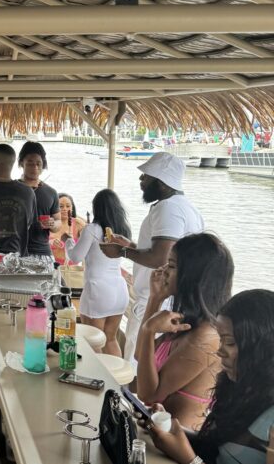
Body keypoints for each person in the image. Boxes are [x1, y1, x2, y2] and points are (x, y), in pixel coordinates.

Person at [144, 289, 274, 464]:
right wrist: (172, 431)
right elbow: (217, 448)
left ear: (262, 349)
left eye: (229, 342)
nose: (220, 351)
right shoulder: (241, 387)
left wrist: (189, 459)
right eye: (220, 340)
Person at [101, 151, 205, 362]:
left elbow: (161, 257)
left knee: (135, 364)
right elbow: (167, 251)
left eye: (146, 176)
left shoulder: (168, 208)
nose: (141, 179)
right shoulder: (187, 208)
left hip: (155, 302)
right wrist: (130, 245)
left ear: (163, 183)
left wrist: (121, 252)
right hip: (171, 301)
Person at [135, 233, 233, 430]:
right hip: (158, 430)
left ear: (192, 276)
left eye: (171, 265)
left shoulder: (206, 336)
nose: (163, 271)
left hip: (177, 444)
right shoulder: (187, 322)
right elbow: (140, 355)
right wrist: (155, 299)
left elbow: (148, 394)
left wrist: (148, 330)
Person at [63, 189, 130, 356]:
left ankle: (98, 379)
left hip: (98, 290)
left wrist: (68, 241)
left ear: (96, 209)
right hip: (119, 289)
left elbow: (76, 257)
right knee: (111, 339)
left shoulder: (93, 229)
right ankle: (116, 381)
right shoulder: (123, 229)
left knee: (93, 341)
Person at [17, 141, 60, 261]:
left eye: (38, 164)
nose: (35, 168)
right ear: (22, 163)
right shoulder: (13, 189)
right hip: (15, 252)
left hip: (43, 253)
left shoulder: (51, 192)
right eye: (30, 163)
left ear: (43, 165)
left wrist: (53, 224)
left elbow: (58, 221)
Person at [50, 193, 87, 264]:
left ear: (72, 207)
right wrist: (50, 242)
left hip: (72, 270)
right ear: (54, 207)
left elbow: (91, 239)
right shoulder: (49, 223)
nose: (65, 209)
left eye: (68, 206)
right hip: (52, 266)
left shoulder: (78, 223)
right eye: (61, 206)